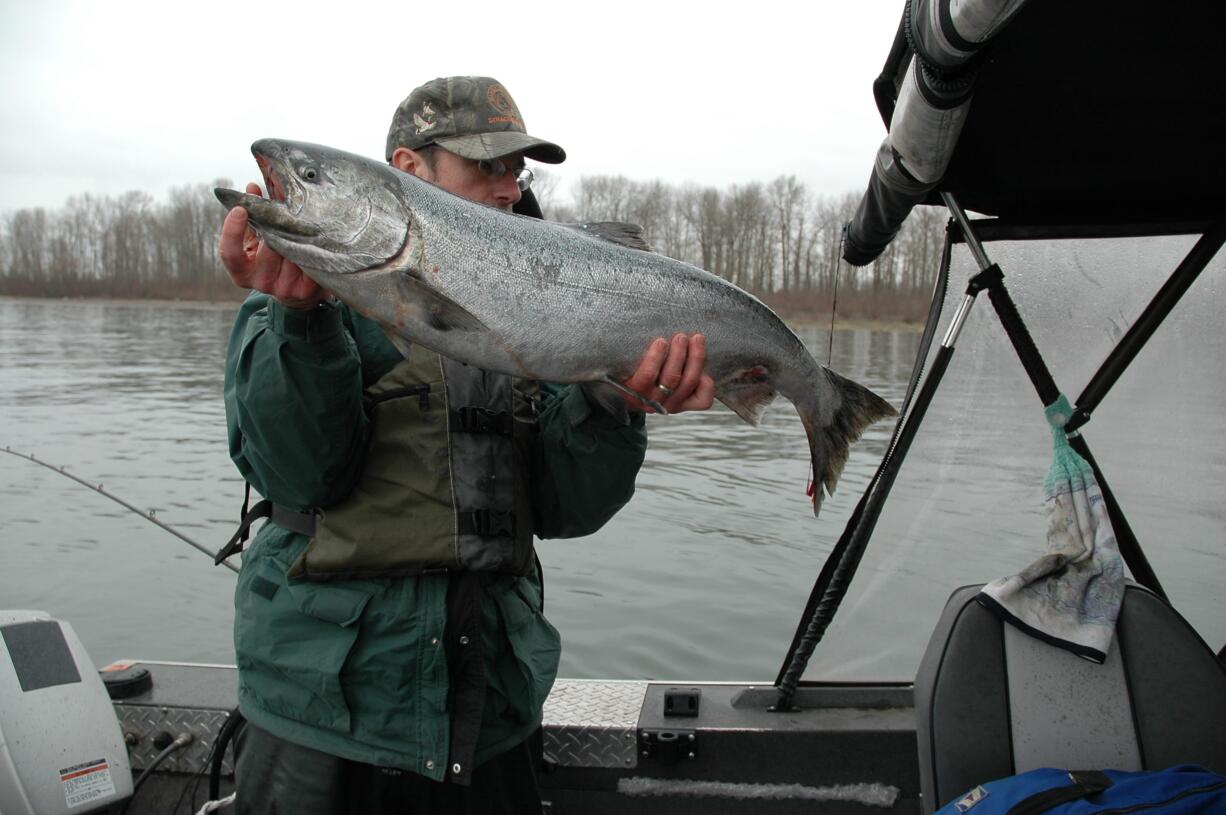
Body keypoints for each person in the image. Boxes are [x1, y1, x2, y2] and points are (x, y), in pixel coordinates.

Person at [218, 75, 715, 813]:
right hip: (323, 719)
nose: (510, 185)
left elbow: (567, 506)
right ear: (407, 170)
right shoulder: (299, 301)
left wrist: (612, 401)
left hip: (487, 712)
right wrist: (300, 324)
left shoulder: (560, 306)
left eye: (517, 169)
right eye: (487, 165)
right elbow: (300, 473)